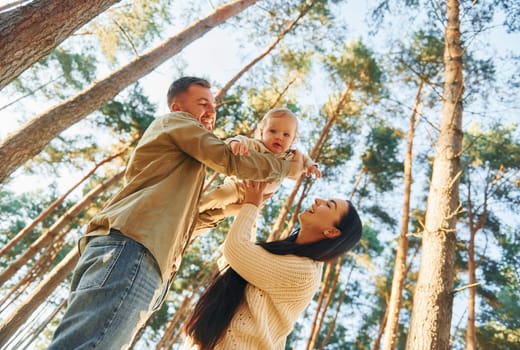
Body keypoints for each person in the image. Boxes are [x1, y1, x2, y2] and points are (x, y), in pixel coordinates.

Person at [48, 77, 303, 349]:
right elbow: (229, 160)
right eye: (202, 103)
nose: (211, 111)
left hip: (140, 255)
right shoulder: (179, 123)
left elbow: (189, 223)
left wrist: (232, 208)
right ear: (177, 107)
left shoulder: (184, 163)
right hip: (134, 248)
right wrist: (288, 168)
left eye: (214, 106)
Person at [184, 180, 363, 349]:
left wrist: (251, 205)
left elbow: (236, 250)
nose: (318, 200)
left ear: (331, 231)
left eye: (329, 205)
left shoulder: (305, 272)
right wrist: (249, 206)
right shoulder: (286, 256)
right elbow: (237, 260)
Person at [197, 108, 321, 232]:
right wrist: (235, 143)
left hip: (257, 199)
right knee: (220, 196)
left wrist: (312, 167)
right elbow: (239, 139)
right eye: (273, 131)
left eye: (286, 134)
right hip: (238, 186)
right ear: (262, 133)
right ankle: (194, 208)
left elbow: (305, 160)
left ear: (293, 140)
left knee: (248, 227)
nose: (279, 137)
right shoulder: (257, 145)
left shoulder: (291, 156)